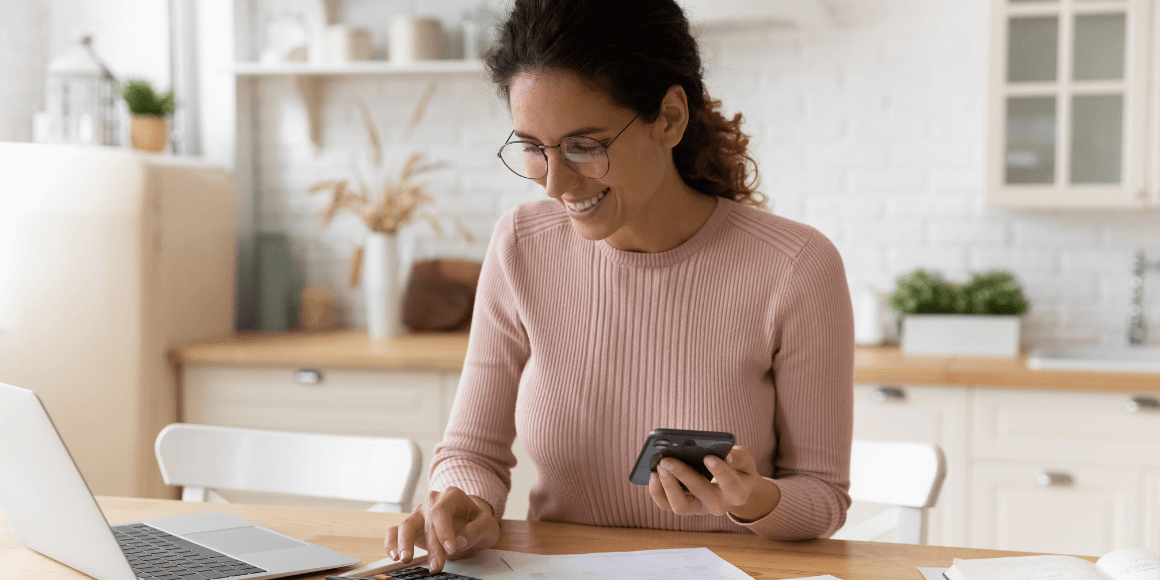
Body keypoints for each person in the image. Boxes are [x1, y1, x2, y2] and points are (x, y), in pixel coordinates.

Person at [385, 0, 854, 571]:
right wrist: (464, 500)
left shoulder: (796, 266)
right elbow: (472, 451)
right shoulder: (521, 246)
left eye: (586, 145)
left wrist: (754, 501)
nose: (556, 183)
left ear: (671, 118)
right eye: (534, 147)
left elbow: (823, 497)